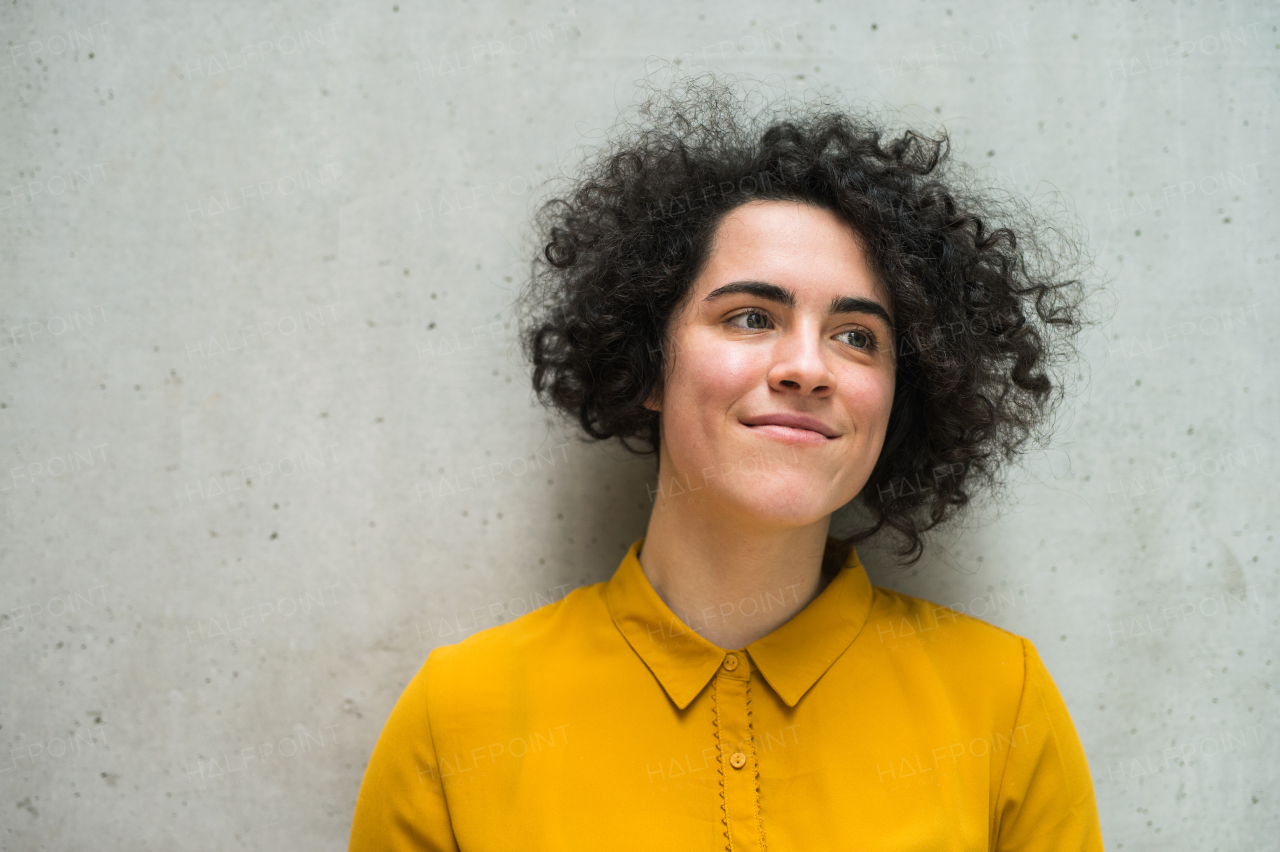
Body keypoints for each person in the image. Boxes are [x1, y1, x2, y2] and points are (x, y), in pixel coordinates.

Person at [349, 77, 1101, 850]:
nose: (807, 367)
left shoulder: (999, 703)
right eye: (750, 317)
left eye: (856, 336)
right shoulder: (459, 716)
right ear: (646, 364)